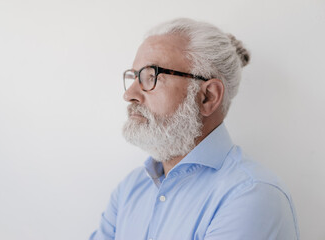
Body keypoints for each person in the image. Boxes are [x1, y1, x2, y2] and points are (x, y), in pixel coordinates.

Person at [90, 18, 299, 240]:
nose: (129, 94)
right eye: (134, 77)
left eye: (151, 76)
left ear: (207, 96)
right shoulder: (130, 189)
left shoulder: (252, 195)